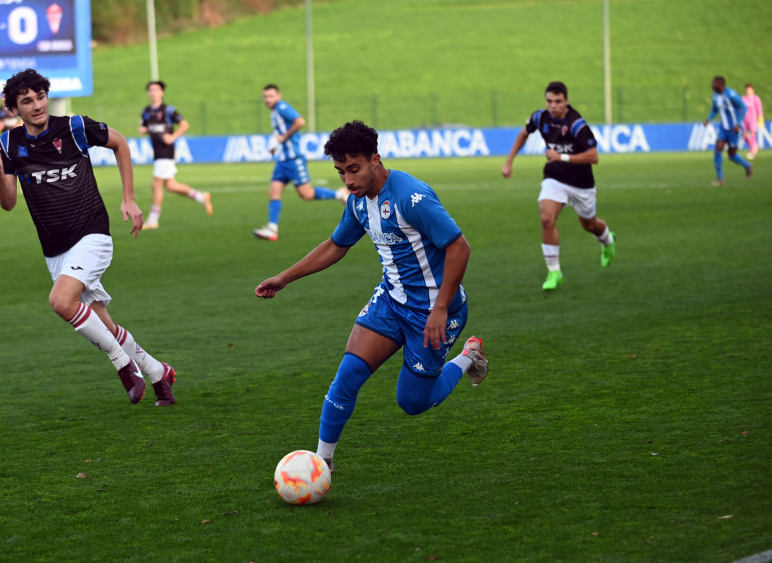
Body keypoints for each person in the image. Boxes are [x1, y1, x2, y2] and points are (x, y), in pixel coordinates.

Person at [255, 120, 488, 472]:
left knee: (412, 402)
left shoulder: (412, 197)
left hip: (435, 312)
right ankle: (323, 462)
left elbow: (459, 247)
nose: (348, 180)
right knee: (347, 375)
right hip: (391, 302)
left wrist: (440, 308)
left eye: (354, 169)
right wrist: (285, 277)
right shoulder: (359, 202)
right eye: (340, 172)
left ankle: (468, 356)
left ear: (375, 160)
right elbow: (337, 245)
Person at [0, 69, 176, 406]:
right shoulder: (9, 144)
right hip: (55, 249)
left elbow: (120, 143)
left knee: (61, 302)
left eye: (41, 96)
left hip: (92, 234)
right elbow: (8, 203)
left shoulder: (73, 127)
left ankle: (124, 365)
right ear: (14, 109)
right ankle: (158, 372)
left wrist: (128, 197)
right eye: (27, 101)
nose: (37, 105)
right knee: (102, 325)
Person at [502, 81, 616, 291]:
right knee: (546, 218)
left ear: (566, 101)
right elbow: (523, 133)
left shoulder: (576, 124)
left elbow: (594, 156)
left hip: (582, 184)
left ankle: (608, 240)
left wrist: (561, 156)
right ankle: (554, 271)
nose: (553, 106)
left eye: (558, 101)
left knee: (589, 224)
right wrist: (509, 162)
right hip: (554, 178)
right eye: (549, 101)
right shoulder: (540, 117)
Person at [253, 84, 349, 241]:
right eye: (265, 97)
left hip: (293, 160)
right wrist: (276, 145)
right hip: (282, 161)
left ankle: (339, 194)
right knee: (274, 192)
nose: (267, 100)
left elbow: (300, 121)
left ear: (278, 95)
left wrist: (283, 137)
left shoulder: (282, 107)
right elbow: (280, 134)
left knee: (306, 194)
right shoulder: (275, 112)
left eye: (270, 96)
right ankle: (272, 228)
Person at [139, 80, 212, 230]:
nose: (153, 93)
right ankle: (200, 197)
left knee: (156, 184)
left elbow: (185, 124)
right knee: (171, 186)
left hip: (166, 151)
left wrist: (173, 137)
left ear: (162, 92)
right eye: (150, 90)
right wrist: (144, 130)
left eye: (156, 90)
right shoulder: (146, 111)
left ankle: (153, 219)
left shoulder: (168, 110)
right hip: (157, 151)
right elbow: (144, 127)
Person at [704, 76, 752, 185]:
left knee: (732, 155)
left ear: (721, 85)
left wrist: (739, 123)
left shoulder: (731, 94)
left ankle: (747, 165)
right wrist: (708, 119)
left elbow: (743, 107)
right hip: (723, 128)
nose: (712, 85)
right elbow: (714, 110)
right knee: (718, 148)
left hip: (734, 128)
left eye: (715, 83)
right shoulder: (715, 96)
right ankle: (720, 178)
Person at [741, 83, 764, 161]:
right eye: (747, 90)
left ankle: (752, 152)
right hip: (744, 120)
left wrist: (760, 119)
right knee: (743, 136)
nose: (748, 91)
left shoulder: (756, 98)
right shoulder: (743, 98)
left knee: (752, 134)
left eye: (750, 89)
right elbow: (740, 109)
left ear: (752, 90)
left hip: (753, 119)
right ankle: (754, 146)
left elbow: (759, 109)